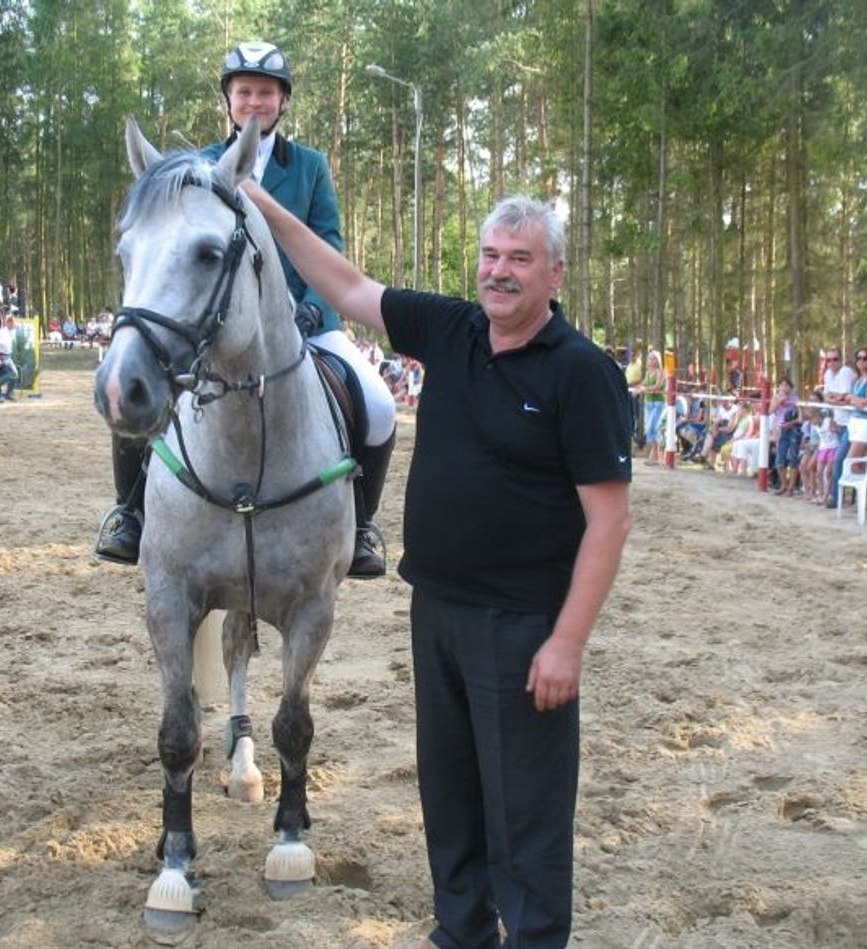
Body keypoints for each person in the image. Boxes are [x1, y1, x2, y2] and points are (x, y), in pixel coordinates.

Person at [246, 183, 632, 949]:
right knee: (449, 794)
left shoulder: (581, 371)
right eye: (491, 255)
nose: (500, 271)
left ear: (555, 274)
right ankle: (461, 932)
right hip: (439, 608)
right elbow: (350, 286)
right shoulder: (454, 328)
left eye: (520, 259)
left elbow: (609, 519)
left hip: (525, 626)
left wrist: (569, 642)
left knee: (525, 811)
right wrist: (264, 206)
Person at [95, 40, 397, 579]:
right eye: (243, 93)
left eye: (265, 93)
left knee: (377, 403)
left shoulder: (308, 167)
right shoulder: (197, 167)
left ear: (283, 102)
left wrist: (310, 308)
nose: (254, 103)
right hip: (215, 326)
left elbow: (327, 243)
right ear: (229, 102)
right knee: (141, 386)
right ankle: (131, 513)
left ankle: (361, 524)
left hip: (303, 323)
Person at [819, 347, 857, 508]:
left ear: (840, 360)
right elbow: (828, 397)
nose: (832, 363)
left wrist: (834, 398)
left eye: (835, 359)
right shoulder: (828, 375)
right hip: (839, 423)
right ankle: (849, 495)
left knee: (839, 459)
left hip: (852, 423)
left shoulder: (846, 372)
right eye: (829, 360)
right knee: (847, 462)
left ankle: (836, 497)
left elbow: (845, 397)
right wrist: (833, 413)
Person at [632, 350, 666, 466]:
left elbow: (657, 386)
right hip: (648, 403)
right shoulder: (648, 372)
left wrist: (643, 389)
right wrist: (637, 388)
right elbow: (644, 383)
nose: (651, 361)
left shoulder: (661, 372)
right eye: (650, 358)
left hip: (658, 402)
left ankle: (654, 455)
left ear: (658, 360)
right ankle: (656, 456)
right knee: (650, 429)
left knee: (653, 427)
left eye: (653, 358)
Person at [771, 378, 802, 495]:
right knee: (779, 459)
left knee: (793, 458)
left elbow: (800, 417)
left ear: (791, 387)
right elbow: (770, 410)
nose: (784, 387)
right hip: (780, 430)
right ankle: (784, 484)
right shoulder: (775, 397)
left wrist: (791, 423)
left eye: (787, 385)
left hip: (793, 429)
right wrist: (780, 401)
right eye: (782, 385)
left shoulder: (795, 399)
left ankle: (791, 488)